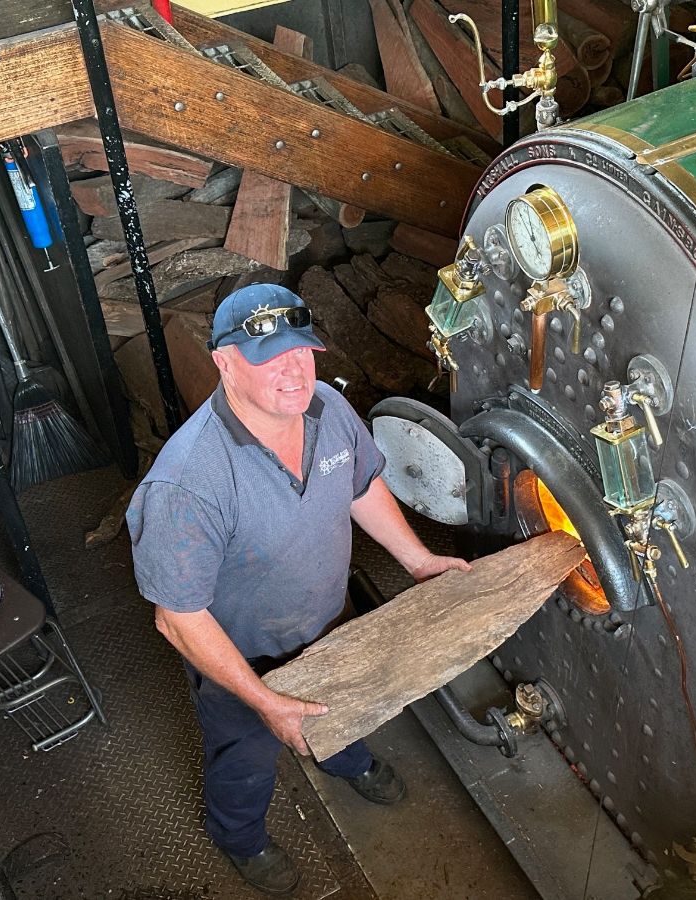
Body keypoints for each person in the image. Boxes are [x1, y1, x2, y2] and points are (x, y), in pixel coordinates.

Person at [126, 283, 470, 895]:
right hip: (246, 661)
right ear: (225, 362)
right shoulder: (188, 484)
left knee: (340, 705)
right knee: (247, 759)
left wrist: (418, 560)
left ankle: (344, 758)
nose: (293, 371)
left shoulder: (326, 411)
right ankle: (240, 837)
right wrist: (263, 698)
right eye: (269, 356)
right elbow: (177, 619)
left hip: (328, 625)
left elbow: (361, 487)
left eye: (303, 351)